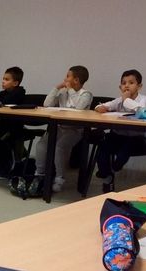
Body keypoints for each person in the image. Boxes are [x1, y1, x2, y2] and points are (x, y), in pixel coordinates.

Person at [33, 65, 93, 193]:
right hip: (59, 127)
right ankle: (40, 174)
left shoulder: (86, 94)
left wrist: (70, 90)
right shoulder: (63, 92)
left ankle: (60, 178)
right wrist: (56, 88)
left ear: (76, 80)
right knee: (42, 144)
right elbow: (47, 104)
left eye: (67, 76)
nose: (65, 79)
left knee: (59, 147)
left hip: (75, 130)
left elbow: (78, 108)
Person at [95, 69, 146, 193]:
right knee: (103, 147)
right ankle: (106, 174)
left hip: (136, 138)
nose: (127, 85)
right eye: (124, 83)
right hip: (117, 135)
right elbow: (103, 105)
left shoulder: (142, 99)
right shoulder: (119, 100)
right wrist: (101, 108)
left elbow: (141, 111)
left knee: (125, 150)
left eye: (131, 82)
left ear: (139, 86)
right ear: (120, 87)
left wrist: (126, 100)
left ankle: (115, 167)